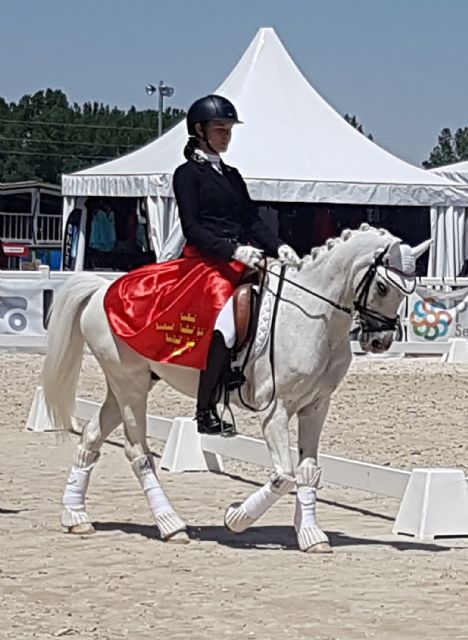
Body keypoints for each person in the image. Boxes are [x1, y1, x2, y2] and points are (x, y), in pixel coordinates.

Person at [172, 94, 301, 435]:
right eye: (220, 129)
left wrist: (280, 245)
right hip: (206, 259)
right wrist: (232, 251)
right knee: (225, 318)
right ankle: (205, 408)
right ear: (200, 131)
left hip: (242, 255)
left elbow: (252, 220)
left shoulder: (232, 175)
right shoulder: (187, 175)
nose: (226, 135)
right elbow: (192, 229)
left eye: (229, 129)